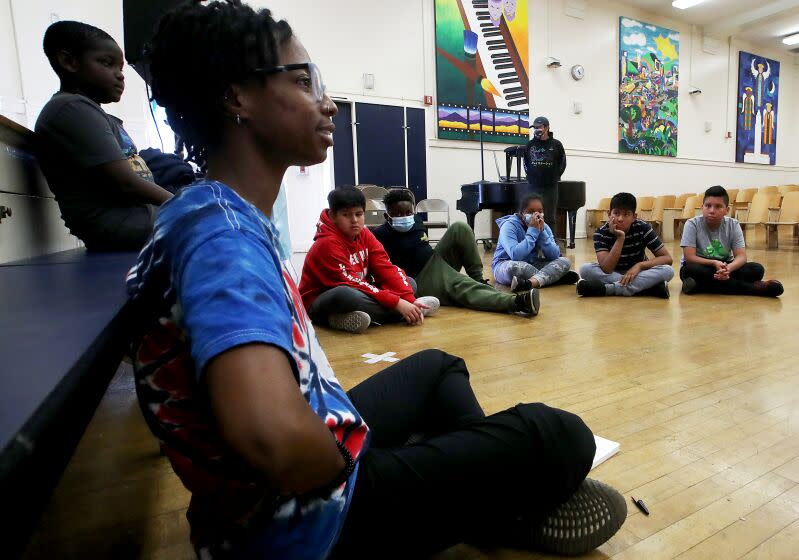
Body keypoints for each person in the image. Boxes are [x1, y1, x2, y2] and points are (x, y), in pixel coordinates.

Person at [127, 2, 626, 558]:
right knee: (559, 434)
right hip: (309, 520)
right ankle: (491, 505)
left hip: (305, 463)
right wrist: (359, 462)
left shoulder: (215, 211)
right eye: (302, 81)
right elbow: (271, 439)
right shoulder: (222, 237)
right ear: (235, 96)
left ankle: (480, 501)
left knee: (438, 368)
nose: (328, 102)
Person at [34, 21, 173, 250]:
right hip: (124, 227)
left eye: (121, 69)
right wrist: (187, 206)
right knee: (224, 222)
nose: (120, 76)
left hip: (142, 219)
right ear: (69, 61)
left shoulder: (89, 111)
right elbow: (127, 184)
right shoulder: (70, 109)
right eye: (107, 64)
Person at [372, 188, 540, 316]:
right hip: (419, 278)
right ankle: (517, 303)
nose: (405, 217)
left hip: (434, 259)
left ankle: (478, 280)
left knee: (460, 228)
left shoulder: (416, 221)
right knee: (461, 286)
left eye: (408, 212)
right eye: (398, 214)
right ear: (387, 217)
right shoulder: (379, 236)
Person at [299, 186, 439, 333]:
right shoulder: (327, 243)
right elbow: (351, 282)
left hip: (359, 288)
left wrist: (409, 299)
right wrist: (398, 303)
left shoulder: (364, 233)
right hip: (321, 302)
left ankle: (342, 319)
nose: (354, 220)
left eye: (358, 214)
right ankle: (409, 312)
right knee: (346, 294)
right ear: (333, 216)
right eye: (346, 215)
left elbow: (385, 266)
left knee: (410, 283)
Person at [680, 185, 783, 297]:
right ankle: (755, 288)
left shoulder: (733, 224)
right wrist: (714, 263)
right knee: (689, 270)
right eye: (708, 206)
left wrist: (728, 269)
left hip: (725, 265)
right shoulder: (692, 224)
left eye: (718, 206)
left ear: (727, 210)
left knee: (757, 269)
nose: (711, 211)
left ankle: (700, 286)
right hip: (701, 265)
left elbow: (741, 256)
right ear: (702, 207)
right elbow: (690, 258)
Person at [578, 192, 674, 298]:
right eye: (616, 213)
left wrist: (639, 265)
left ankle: (608, 289)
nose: (620, 219)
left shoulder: (643, 228)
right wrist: (620, 238)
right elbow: (607, 269)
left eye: (626, 214)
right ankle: (647, 288)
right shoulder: (601, 233)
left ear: (634, 217)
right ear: (609, 214)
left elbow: (667, 259)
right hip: (613, 273)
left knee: (668, 270)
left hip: (638, 272)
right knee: (585, 269)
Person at [492, 193, 579, 291]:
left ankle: (529, 283)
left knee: (565, 261)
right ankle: (554, 277)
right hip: (505, 265)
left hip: (532, 263)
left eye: (540, 211)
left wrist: (541, 232)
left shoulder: (543, 226)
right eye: (531, 211)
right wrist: (533, 231)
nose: (536, 215)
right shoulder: (508, 226)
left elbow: (554, 255)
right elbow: (515, 255)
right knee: (517, 268)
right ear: (521, 213)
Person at [521, 116, 566, 233]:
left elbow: (562, 163)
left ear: (546, 127)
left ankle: (551, 246)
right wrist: (531, 176)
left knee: (550, 218)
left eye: (539, 127)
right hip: (533, 187)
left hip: (550, 188)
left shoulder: (557, 145)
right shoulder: (530, 145)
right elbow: (525, 163)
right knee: (531, 216)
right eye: (534, 128)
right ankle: (533, 243)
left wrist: (554, 177)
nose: (536, 130)